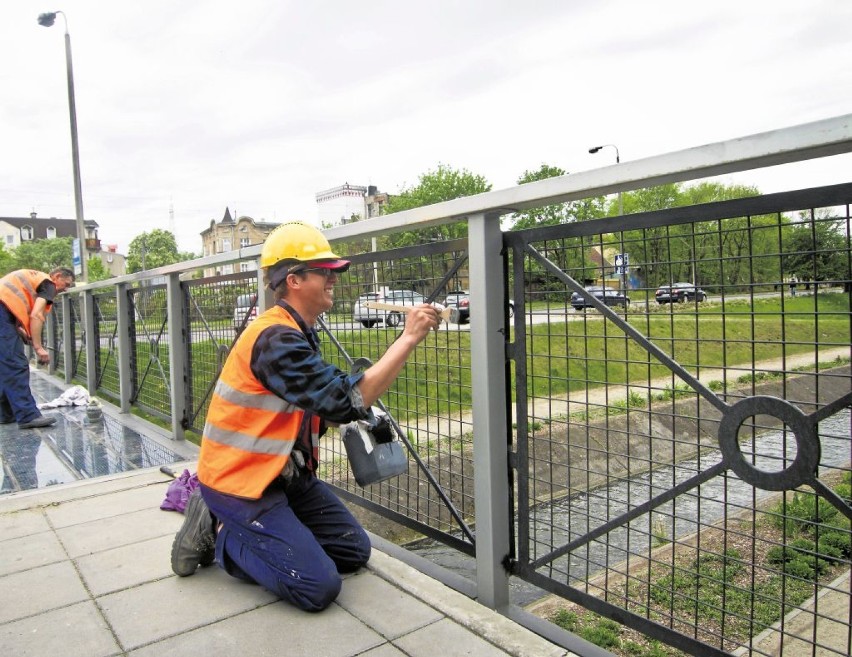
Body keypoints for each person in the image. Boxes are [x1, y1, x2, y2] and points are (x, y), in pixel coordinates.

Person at [170, 222, 439, 611]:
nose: (333, 279)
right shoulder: (275, 339)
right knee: (316, 587)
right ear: (293, 279)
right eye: (324, 272)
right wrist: (408, 337)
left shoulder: (298, 330)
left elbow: (323, 406)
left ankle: (262, 530)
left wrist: (341, 413)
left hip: (282, 474)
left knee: (352, 552)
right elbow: (346, 400)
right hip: (241, 482)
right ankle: (222, 531)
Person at [0, 267, 75, 429]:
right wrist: (38, 347)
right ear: (57, 276)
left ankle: (5, 414)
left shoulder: (33, 279)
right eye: (66, 283)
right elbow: (36, 315)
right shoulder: (48, 284)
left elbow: (11, 305)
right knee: (16, 365)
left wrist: (19, 329)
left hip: (3, 314)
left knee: (5, 365)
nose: (65, 289)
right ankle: (27, 416)